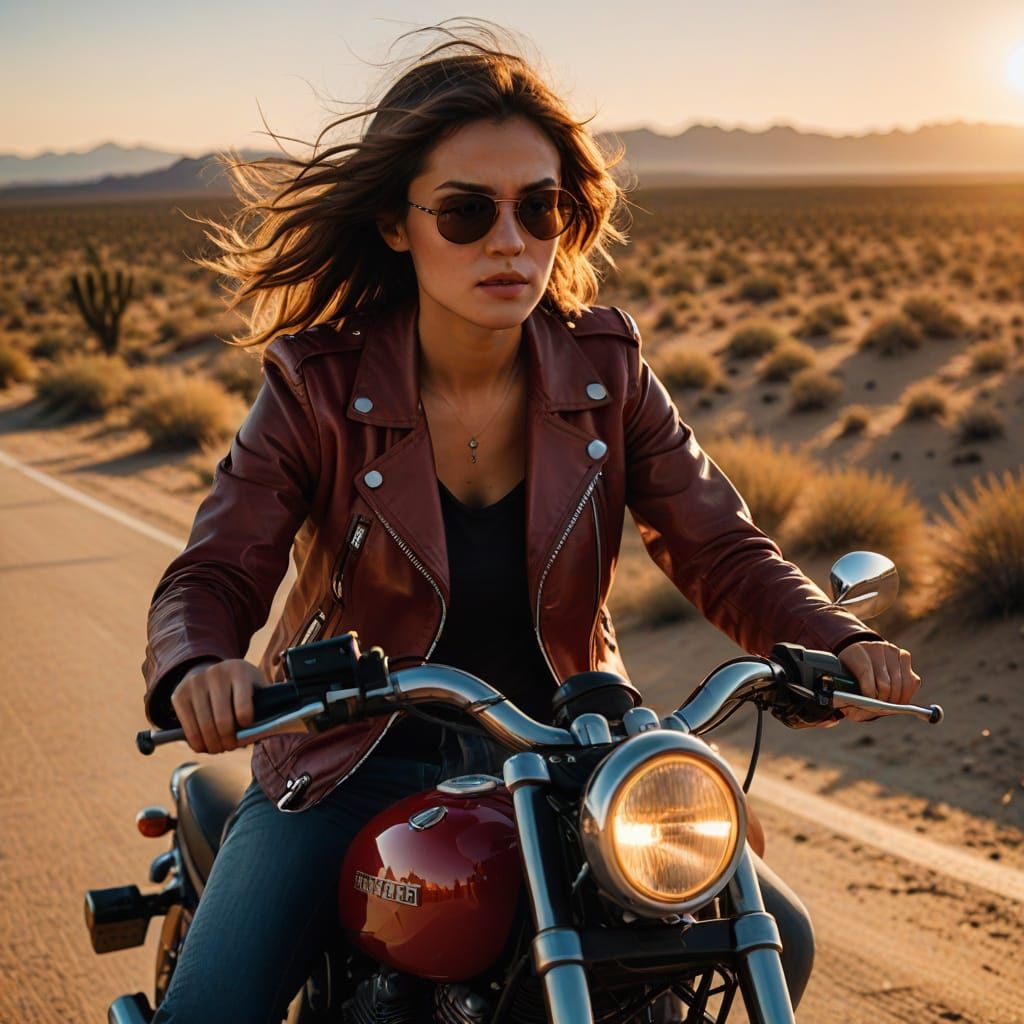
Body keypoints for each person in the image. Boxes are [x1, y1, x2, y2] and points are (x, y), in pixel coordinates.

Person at [141, 20, 921, 1023]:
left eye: (539, 207)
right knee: (212, 1009)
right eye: (466, 213)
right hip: (352, 759)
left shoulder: (606, 369)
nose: (510, 242)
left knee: (775, 938)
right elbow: (216, 566)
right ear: (397, 223)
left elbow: (718, 544)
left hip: (570, 751)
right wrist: (201, 660)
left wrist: (833, 639)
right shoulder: (317, 386)